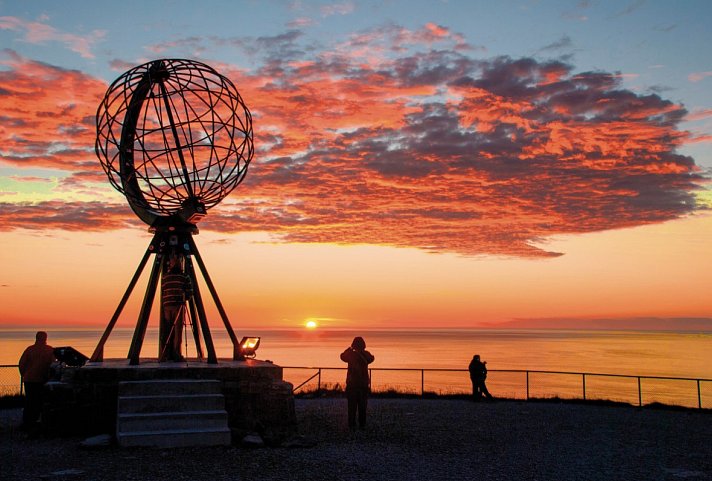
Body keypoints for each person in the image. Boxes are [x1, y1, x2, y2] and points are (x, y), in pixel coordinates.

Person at [18, 331, 56, 429]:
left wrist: (24, 375)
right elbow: (53, 365)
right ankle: (38, 421)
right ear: (45, 338)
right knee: (40, 401)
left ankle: (27, 422)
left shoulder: (30, 349)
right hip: (41, 379)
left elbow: (21, 364)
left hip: (29, 379)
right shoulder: (49, 350)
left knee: (29, 401)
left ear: (36, 338)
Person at [160, 251, 191, 361]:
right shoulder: (183, 276)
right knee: (178, 330)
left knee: (168, 329)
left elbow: (163, 290)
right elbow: (189, 291)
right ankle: (177, 354)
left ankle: (165, 354)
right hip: (178, 305)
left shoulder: (165, 277)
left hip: (166, 306)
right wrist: (185, 298)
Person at [340, 337, 375, 430]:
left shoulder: (351, 355)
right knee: (362, 406)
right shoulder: (366, 354)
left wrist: (349, 349)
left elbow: (342, 356)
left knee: (351, 406)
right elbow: (372, 358)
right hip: (363, 384)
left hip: (352, 384)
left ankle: (351, 424)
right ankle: (362, 424)